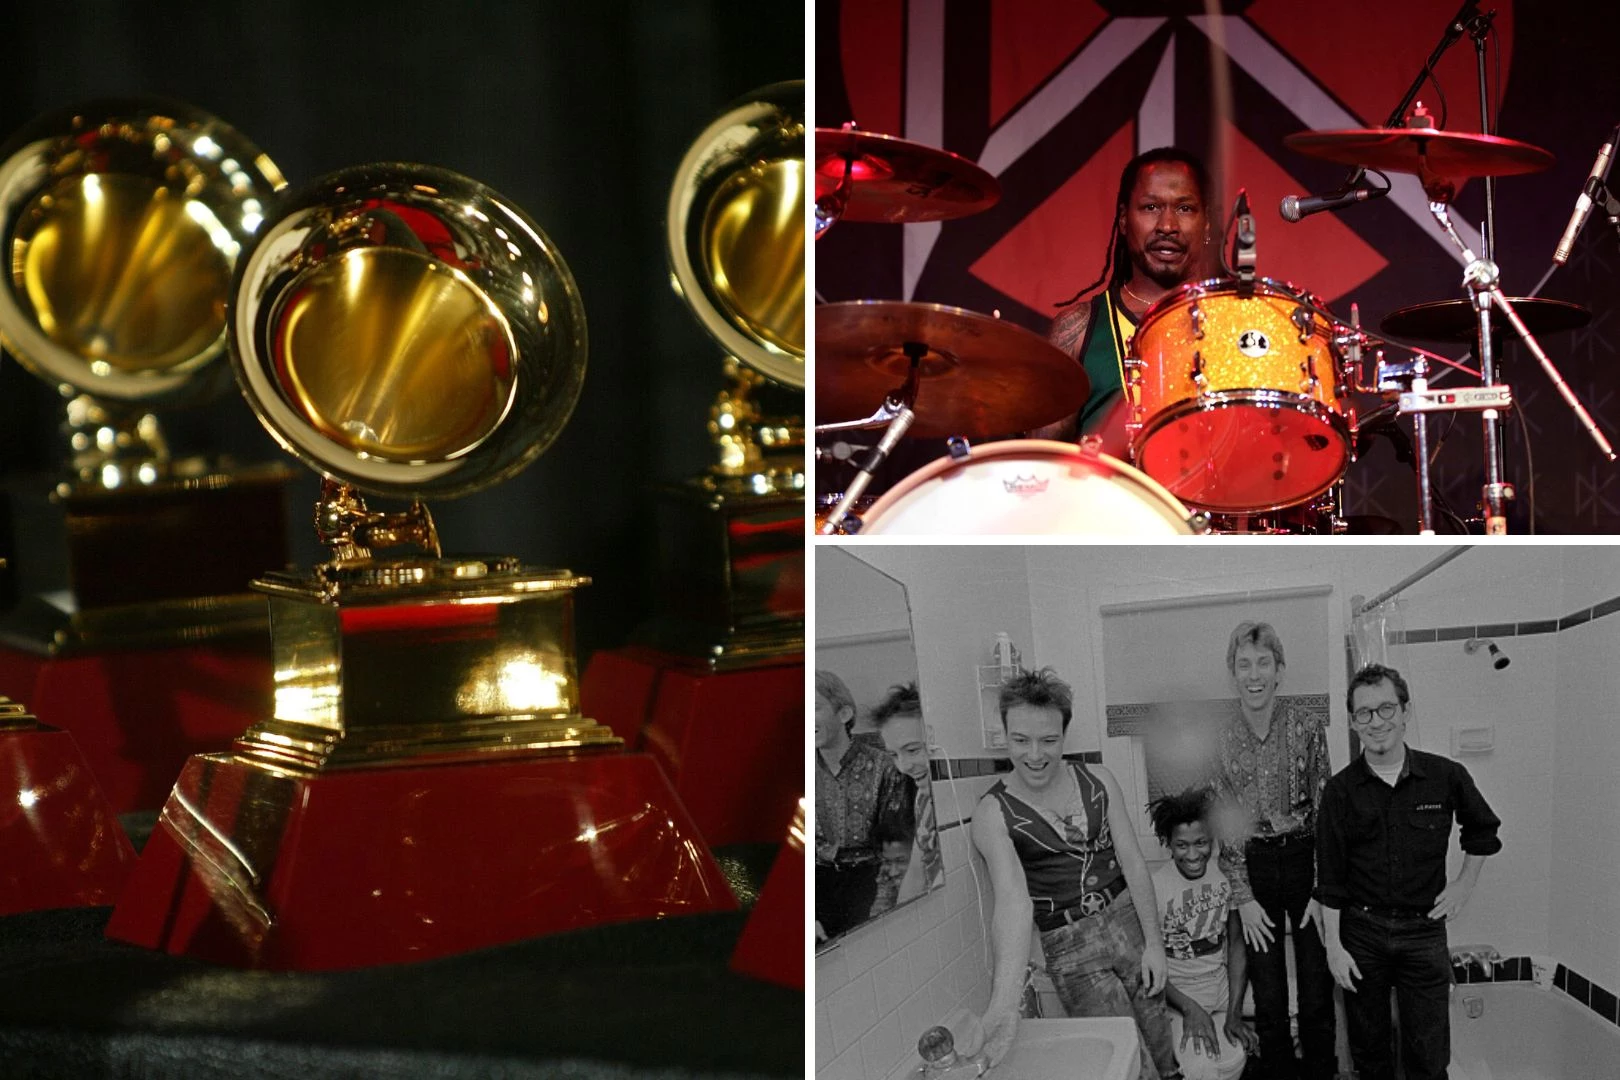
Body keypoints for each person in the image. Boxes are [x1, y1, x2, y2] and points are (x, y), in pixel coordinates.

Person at [970, 667, 1179, 1080]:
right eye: (1020, 740)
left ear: (1064, 734)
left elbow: (1134, 862)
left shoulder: (1098, 780)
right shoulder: (992, 813)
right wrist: (1003, 1004)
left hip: (1127, 921)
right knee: (1128, 1061)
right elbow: (1013, 903)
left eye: (1048, 740)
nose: (1035, 754)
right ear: (1004, 733)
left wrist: (1154, 944)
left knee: (1159, 1042)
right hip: (1068, 944)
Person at [1317, 664, 1502, 1080]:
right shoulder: (1340, 792)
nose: (1376, 721)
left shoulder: (1445, 776)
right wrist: (1333, 948)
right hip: (1361, 933)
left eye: (1386, 708)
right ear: (1352, 722)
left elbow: (1484, 830)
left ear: (1405, 712)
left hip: (1423, 932)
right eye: (1364, 713)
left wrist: (1463, 886)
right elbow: (1329, 875)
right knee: (1370, 1055)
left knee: (1429, 1057)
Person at [1209, 621, 1337, 1079]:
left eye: (1263, 662)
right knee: (1266, 991)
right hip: (1255, 867)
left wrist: (1323, 892)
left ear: (1279, 670)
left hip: (1304, 860)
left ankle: (1321, 1071)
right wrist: (1242, 897)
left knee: (1316, 984)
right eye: (1244, 664)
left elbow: (1325, 811)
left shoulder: (1307, 725)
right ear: (1232, 674)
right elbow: (1226, 821)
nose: (1254, 674)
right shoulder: (1220, 739)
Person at [1033, 147, 1216, 457]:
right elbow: (1041, 463)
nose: (1167, 225)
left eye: (1185, 208)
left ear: (1207, 223)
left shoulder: (1236, 322)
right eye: (1150, 207)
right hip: (1110, 504)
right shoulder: (1078, 329)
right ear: (1122, 219)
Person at [1148, 786, 1259, 1080]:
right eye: (1182, 845)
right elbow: (1147, 964)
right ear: (1168, 844)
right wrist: (1189, 1008)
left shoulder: (1225, 878)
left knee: (1237, 1056)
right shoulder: (1154, 887)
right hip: (1178, 996)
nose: (1193, 854)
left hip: (1220, 988)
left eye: (1201, 843)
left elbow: (1236, 945)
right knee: (1202, 1069)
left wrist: (1234, 1012)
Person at [814, 670, 913, 940]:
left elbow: (897, 846)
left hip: (868, 883)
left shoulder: (885, 768)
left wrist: (882, 907)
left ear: (844, 714)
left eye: (814, 708)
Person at [870, 681, 945, 904]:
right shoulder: (923, 799)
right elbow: (916, 872)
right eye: (894, 754)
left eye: (913, 750)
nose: (903, 766)